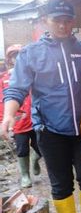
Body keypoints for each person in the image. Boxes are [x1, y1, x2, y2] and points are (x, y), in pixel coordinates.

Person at [1, 0, 81, 213]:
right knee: (61, 184)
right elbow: (17, 88)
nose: (63, 25)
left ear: (73, 22)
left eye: (67, 20)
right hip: (50, 131)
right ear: (46, 20)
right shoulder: (31, 53)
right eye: (57, 20)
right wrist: (9, 115)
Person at [0, 44, 42, 188]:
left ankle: (36, 159)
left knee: (42, 147)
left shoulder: (34, 74)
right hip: (18, 123)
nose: (16, 58)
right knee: (22, 149)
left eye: (19, 54)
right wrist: (3, 120)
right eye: (13, 55)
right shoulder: (4, 79)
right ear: (9, 59)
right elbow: (2, 102)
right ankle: (25, 176)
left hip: (35, 119)